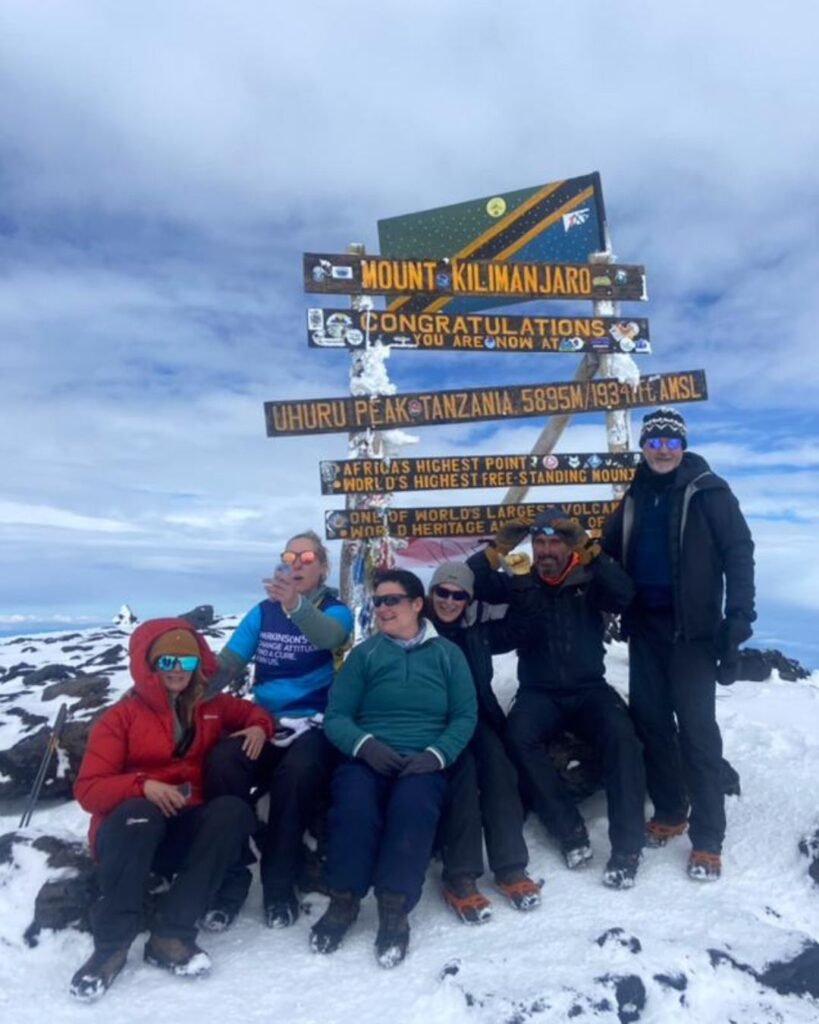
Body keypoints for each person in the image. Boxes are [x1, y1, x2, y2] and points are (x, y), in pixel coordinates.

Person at [69, 619, 272, 1002]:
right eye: (166, 661)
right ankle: (110, 946)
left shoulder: (209, 705)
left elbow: (252, 714)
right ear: (150, 665)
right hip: (128, 834)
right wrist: (142, 785)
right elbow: (88, 790)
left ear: (198, 664)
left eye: (186, 660)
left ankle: (171, 933)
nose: (177, 669)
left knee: (231, 813)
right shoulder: (120, 718)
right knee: (140, 813)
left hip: (177, 827)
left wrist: (260, 727)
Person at [602, 407, 756, 881]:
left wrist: (739, 616)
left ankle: (708, 840)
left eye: (671, 442)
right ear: (644, 447)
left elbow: (739, 550)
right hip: (645, 628)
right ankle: (671, 810)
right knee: (650, 722)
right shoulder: (633, 496)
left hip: (693, 632)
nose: (663, 450)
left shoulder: (709, 490)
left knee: (696, 729)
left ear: (682, 445)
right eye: (655, 441)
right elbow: (606, 553)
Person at [468, 508, 646, 889]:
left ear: (568, 546)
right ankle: (569, 831)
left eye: (555, 542)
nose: (546, 550)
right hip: (539, 692)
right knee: (517, 738)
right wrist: (499, 547)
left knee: (623, 738)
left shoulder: (590, 578)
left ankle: (628, 847)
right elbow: (471, 582)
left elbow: (625, 594)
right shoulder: (521, 581)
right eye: (540, 542)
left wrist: (588, 546)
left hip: (589, 689)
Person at [311, 569, 477, 968]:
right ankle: (344, 900)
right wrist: (365, 746)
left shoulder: (447, 656)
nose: (382, 608)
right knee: (354, 805)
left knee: (415, 808)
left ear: (417, 604)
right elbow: (337, 716)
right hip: (369, 756)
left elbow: (464, 715)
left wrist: (436, 755)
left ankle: (394, 905)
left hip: (423, 758)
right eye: (377, 601)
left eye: (391, 600)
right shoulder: (365, 655)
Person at [203, 530, 353, 928]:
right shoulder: (262, 612)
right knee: (222, 763)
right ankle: (231, 876)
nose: (297, 563)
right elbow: (230, 662)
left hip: (316, 723)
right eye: (290, 556)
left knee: (297, 775)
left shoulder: (337, 610)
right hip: (264, 722)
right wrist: (188, 692)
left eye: (307, 557)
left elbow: (330, 637)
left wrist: (293, 605)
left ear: (323, 567)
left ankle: (278, 884)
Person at [427, 561, 541, 923]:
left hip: (475, 718)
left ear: (469, 599)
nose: (449, 600)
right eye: (442, 592)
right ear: (430, 594)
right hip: (432, 725)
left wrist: (519, 578)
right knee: (462, 775)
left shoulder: (476, 631)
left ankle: (510, 868)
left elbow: (524, 625)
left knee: (498, 768)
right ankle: (460, 875)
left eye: (458, 594)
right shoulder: (415, 631)